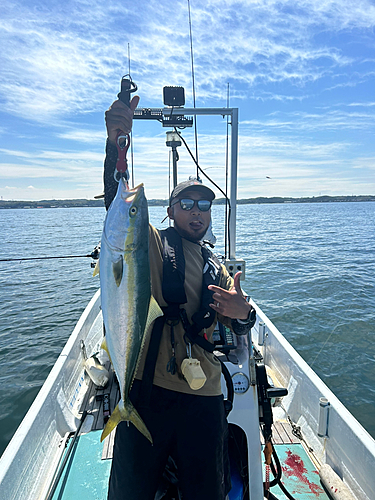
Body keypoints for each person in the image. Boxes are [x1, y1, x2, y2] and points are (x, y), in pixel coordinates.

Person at [103, 96, 256, 500]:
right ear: (170, 212)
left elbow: (238, 322)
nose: (196, 211)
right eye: (186, 204)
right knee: (129, 492)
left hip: (202, 395)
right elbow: (118, 213)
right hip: (146, 388)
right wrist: (115, 147)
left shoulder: (215, 266)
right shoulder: (150, 244)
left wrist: (245, 314)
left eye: (203, 204)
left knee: (207, 491)